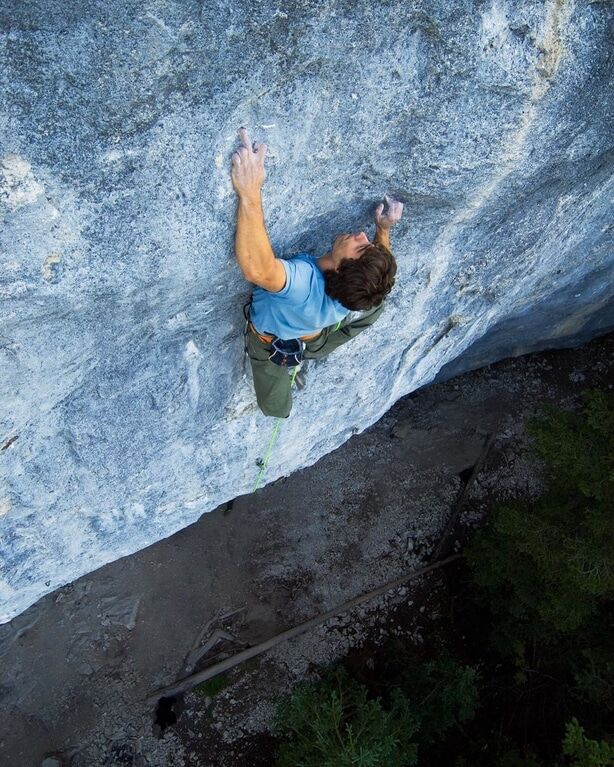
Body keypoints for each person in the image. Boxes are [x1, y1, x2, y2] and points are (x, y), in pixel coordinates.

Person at [231, 127, 403, 418]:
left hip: (273, 342)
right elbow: (375, 271)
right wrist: (383, 231)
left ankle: (285, 372)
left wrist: (250, 191)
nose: (362, 235)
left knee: (275, 408)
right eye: (367, 242)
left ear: (339, 269)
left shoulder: (302, 283)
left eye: (361, 247)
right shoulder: (353, 290)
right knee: (377, 301)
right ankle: (299, 357)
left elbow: (258, 269)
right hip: (316, 338)